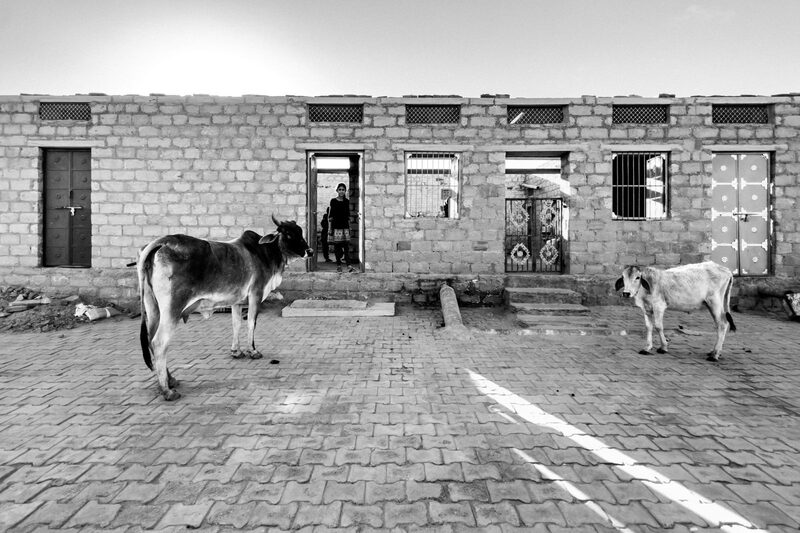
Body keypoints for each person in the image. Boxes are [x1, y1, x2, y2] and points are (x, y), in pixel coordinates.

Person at [328, 182, 355, 272]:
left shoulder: (347, 201)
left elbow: (348, 215)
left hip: (345, 227)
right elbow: (331, 216)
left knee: (346, 247)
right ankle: (339, 265)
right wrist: (330, 228)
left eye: (343, 190)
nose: (341, 191)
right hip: (336, 227)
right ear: (337, 191)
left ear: (345, 191)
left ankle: (349, 265)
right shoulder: (333, 201)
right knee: (337, 247)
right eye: (340, 189)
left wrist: (350, 227)